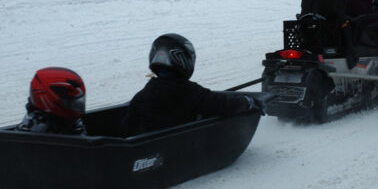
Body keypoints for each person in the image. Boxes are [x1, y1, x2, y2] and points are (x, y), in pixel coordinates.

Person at [122, 33, 263, 135]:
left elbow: (128, 127)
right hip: (174, 149)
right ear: (184, 60)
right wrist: (248, 101)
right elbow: (221, 104)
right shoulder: (189, 92)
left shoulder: (142, 96)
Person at [15, 67, 87, 134]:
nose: (77, 106)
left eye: (78, 101)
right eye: (71, 102)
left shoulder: (71, 123)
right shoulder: (39, 130)